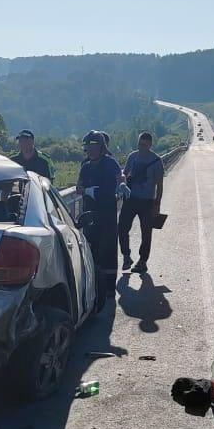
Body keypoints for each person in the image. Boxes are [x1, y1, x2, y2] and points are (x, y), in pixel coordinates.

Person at [76, 130, 130, 312]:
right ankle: (93, 286)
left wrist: (122, 183)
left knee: (108, 248)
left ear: (102, 147)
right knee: (91, 249)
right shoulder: (85, 166)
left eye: (94, 146)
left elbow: (118, 178)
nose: (91, 150)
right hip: (90, 213)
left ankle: (108, 289)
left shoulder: (110, 163)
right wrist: (84, 189)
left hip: (106, 213)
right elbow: (80, 185)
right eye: (88, 147)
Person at [118, 131, 164, 273]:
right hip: (130, 199)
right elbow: (124, 174)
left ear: (150, 145)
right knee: (122, 228)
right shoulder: (132, 156)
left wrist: (157, 204)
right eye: (140, 144)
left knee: (146, 232)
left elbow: (160, 185)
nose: (142, 147)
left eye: (145, 145)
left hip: (147, 202)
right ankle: (126, 256)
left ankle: (142, 261)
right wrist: (123, 183)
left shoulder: (157, 161)